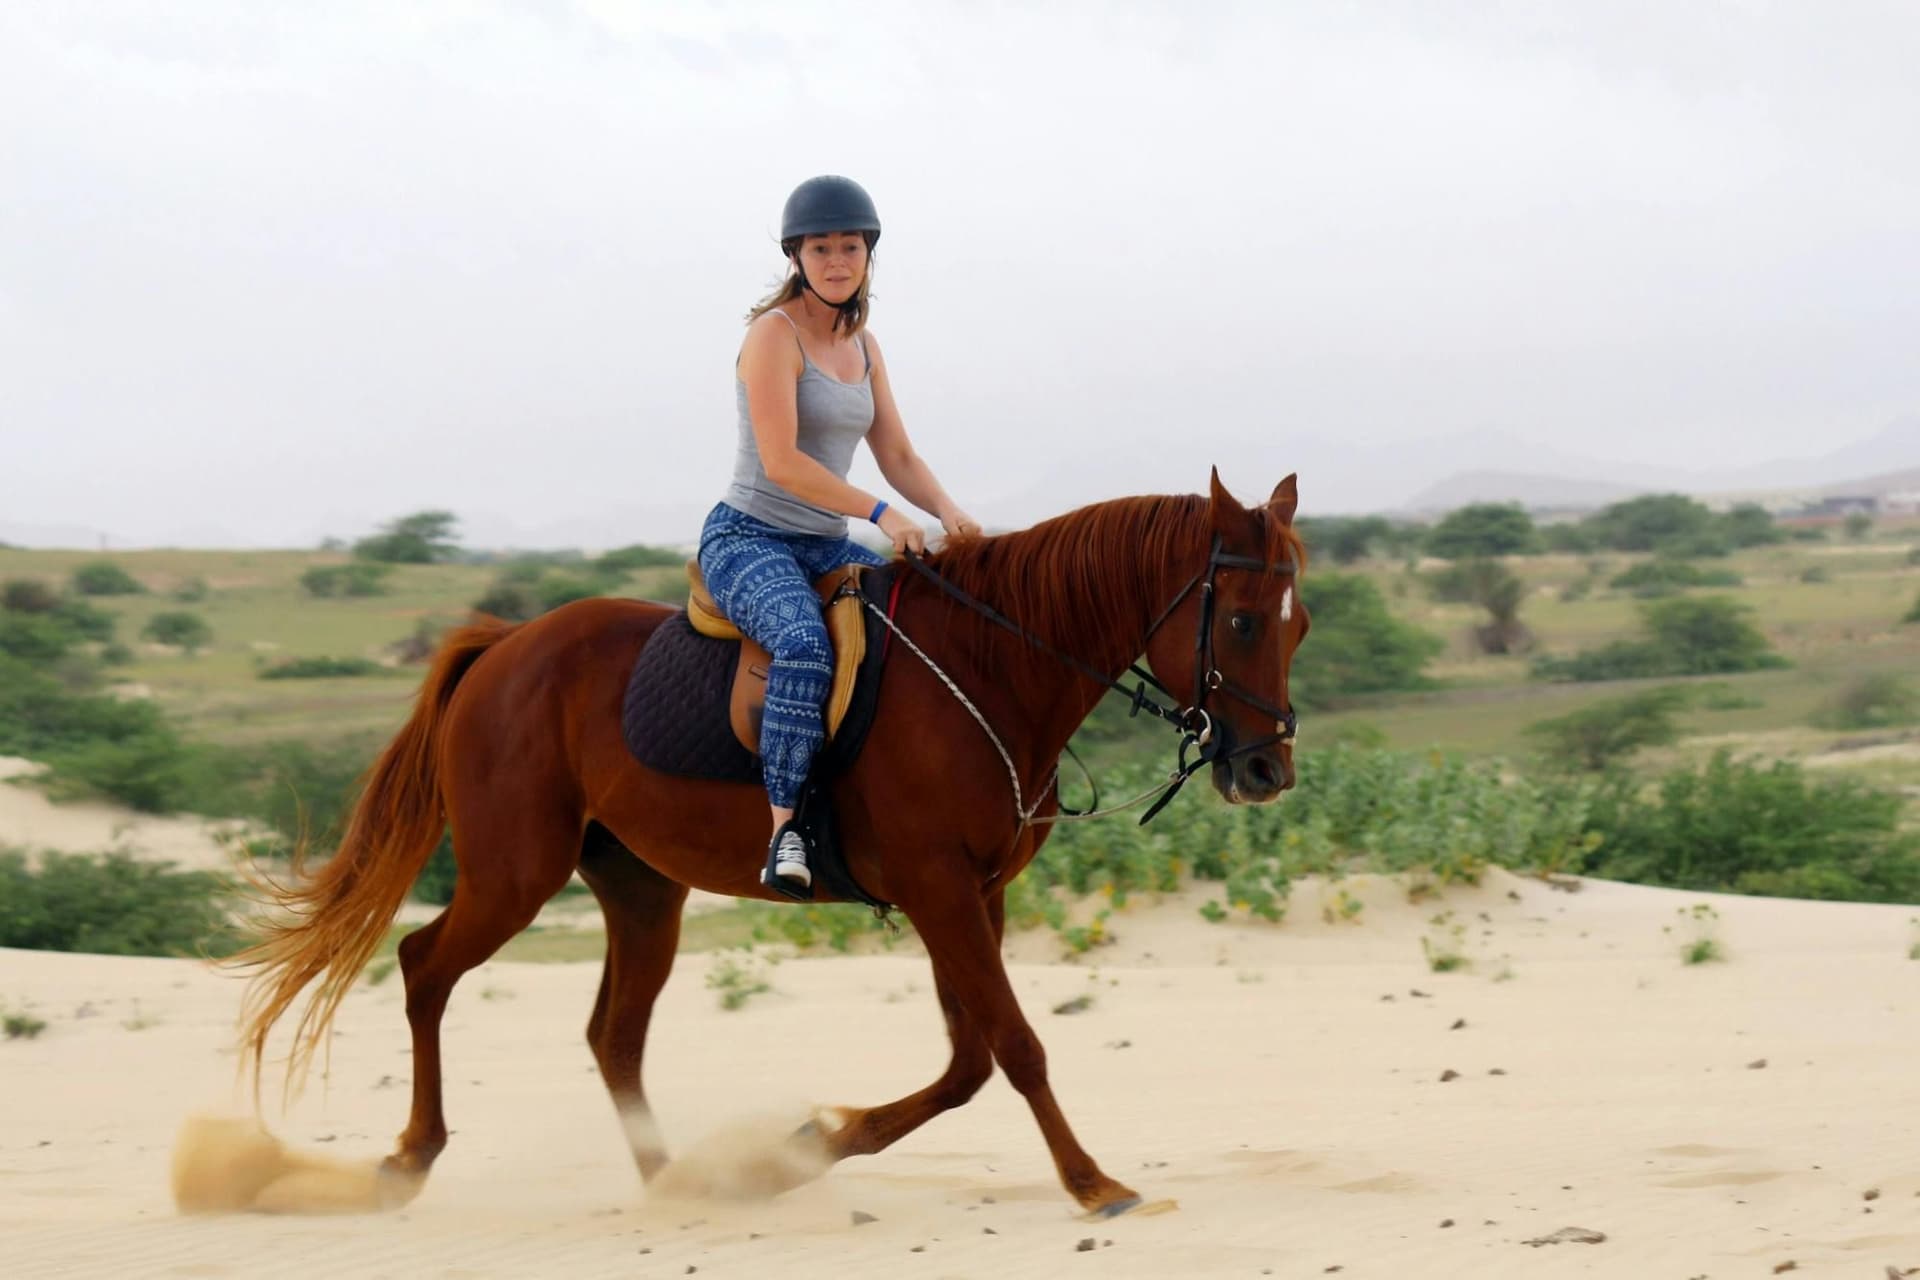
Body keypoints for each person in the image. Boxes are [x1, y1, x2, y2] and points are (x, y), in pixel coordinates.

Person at [697, 175, 981, 897]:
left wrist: (950, 513)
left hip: (823, 543)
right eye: (819, 248)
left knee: (926, 612)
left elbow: (899, 456)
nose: (835, 260)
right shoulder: (772, 336)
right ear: (796, 257)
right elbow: (784, 463)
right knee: (801, 641)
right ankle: (785, 829)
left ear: (866, 255)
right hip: (750, 538)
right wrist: (883, 515)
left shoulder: (865, 345)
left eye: (848, 247)